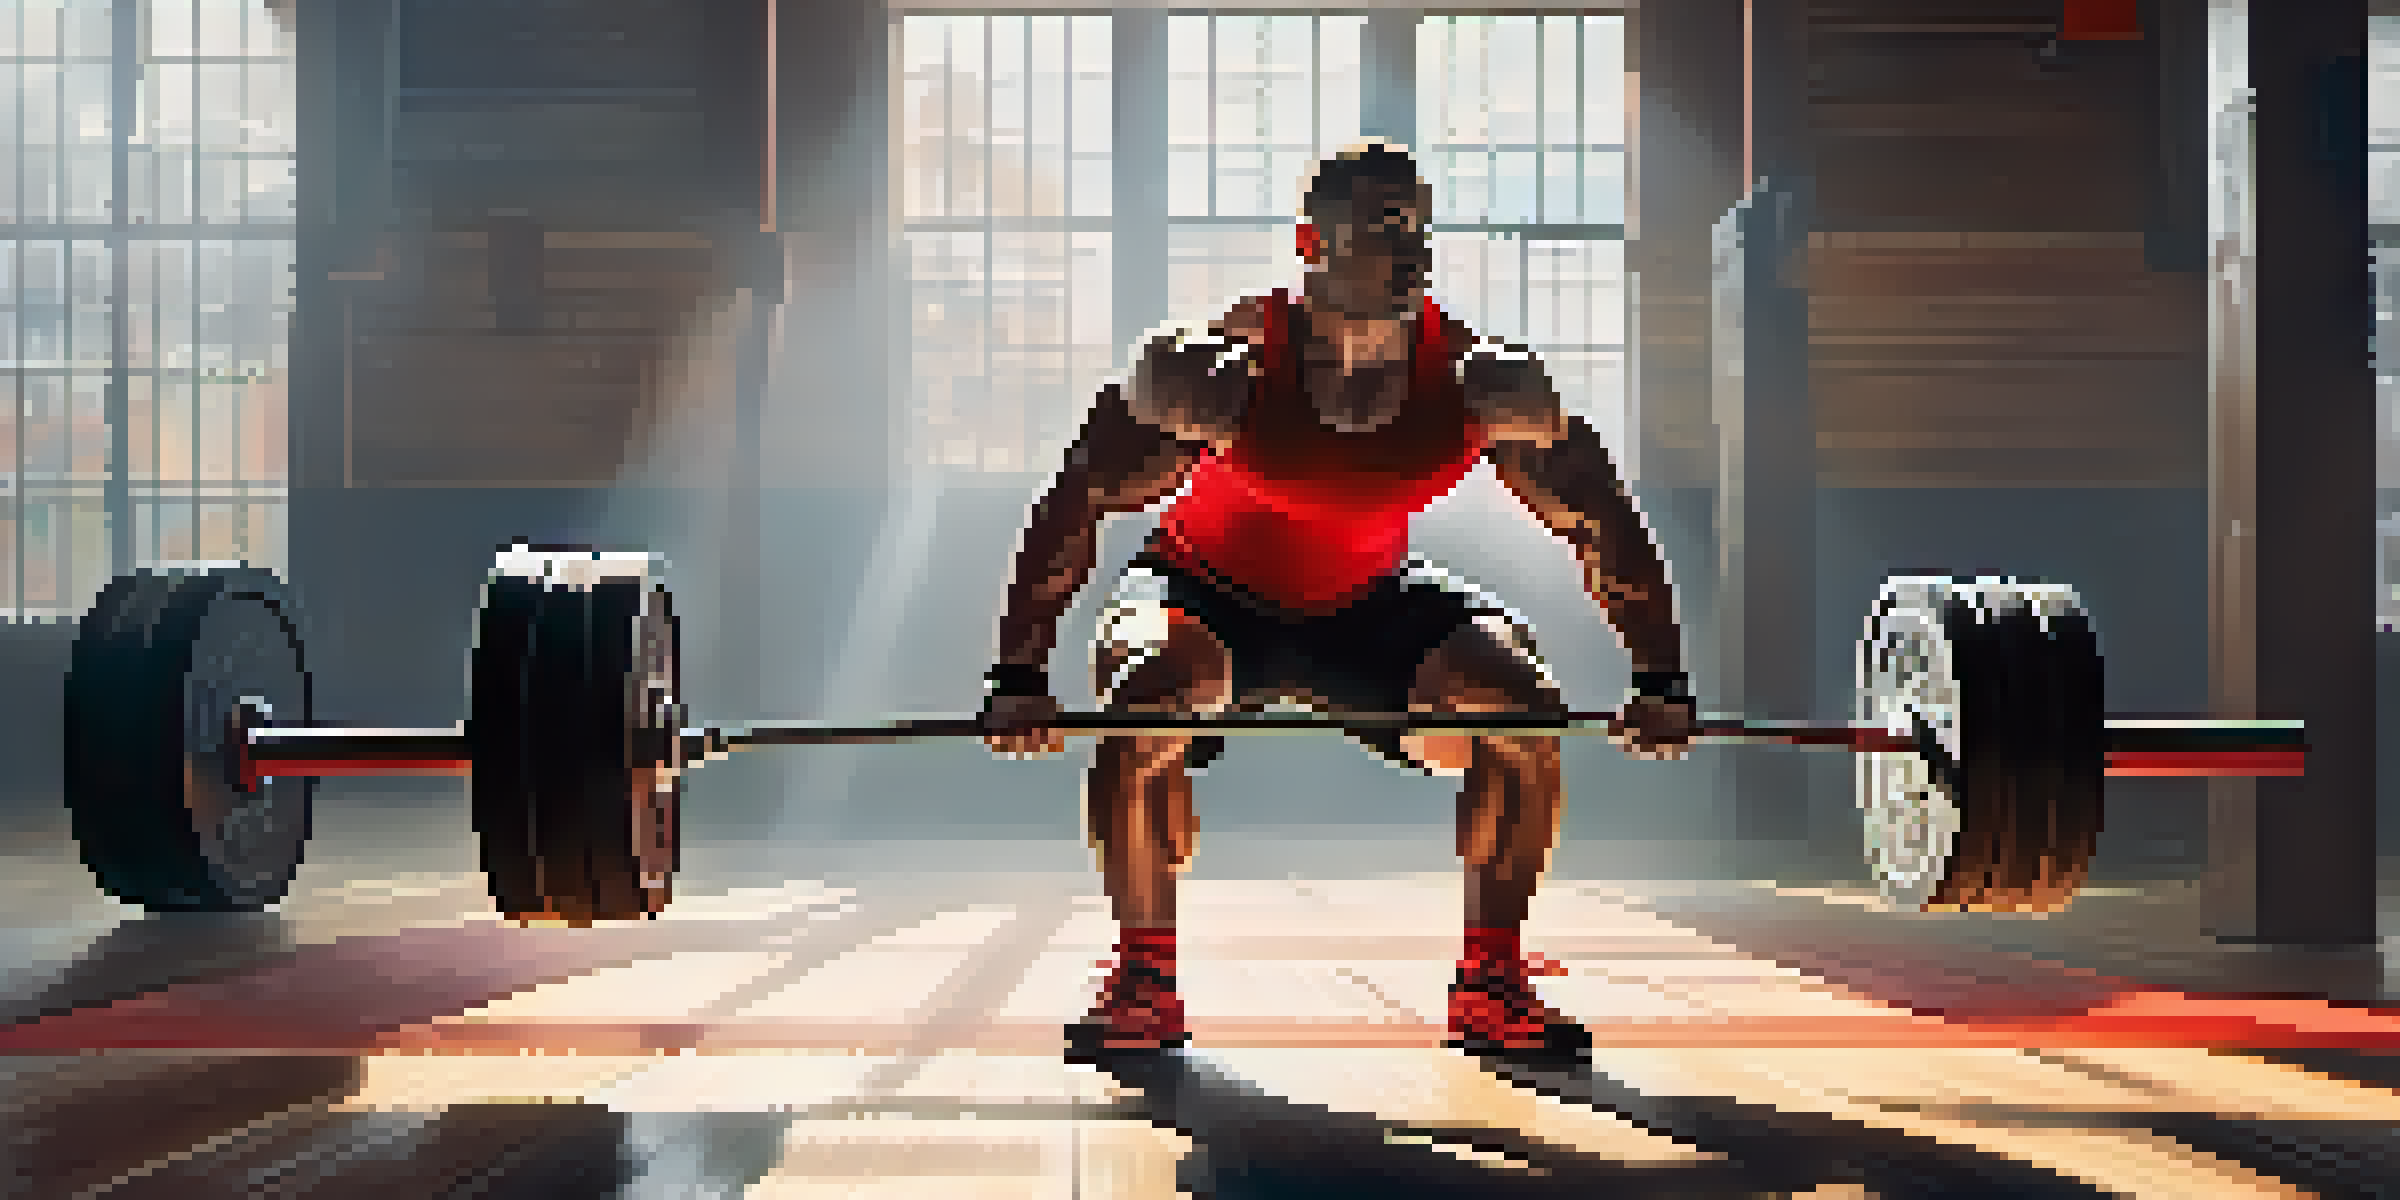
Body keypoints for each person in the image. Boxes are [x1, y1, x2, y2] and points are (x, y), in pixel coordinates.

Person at [982, 141, 1695, 1060]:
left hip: (1366, 602)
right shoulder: (1217, 372)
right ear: (1310, 241)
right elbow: (1078, 499)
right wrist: (1018, 672)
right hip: (1205, 590)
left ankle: (1492, 982)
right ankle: (1143, 983)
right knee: (1144, 705)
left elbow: (1600, 518)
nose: (1411, 249)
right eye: (1383, 226)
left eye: (1419, 227)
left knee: (1524, 709)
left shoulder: (1481, 381)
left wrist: (1660, 677)